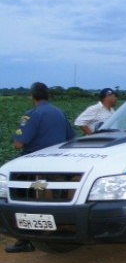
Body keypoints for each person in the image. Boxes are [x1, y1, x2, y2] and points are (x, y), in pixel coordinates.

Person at [7, 82, 76, 253]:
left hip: (37, 169)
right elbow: (71, 137)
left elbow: (18, 143)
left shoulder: (32, 115)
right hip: (60, 166)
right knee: (55, 195)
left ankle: (27, 237)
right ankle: (60, 228)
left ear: (32, 96)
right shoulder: (59, 112)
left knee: (28, 196)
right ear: (48, 95)